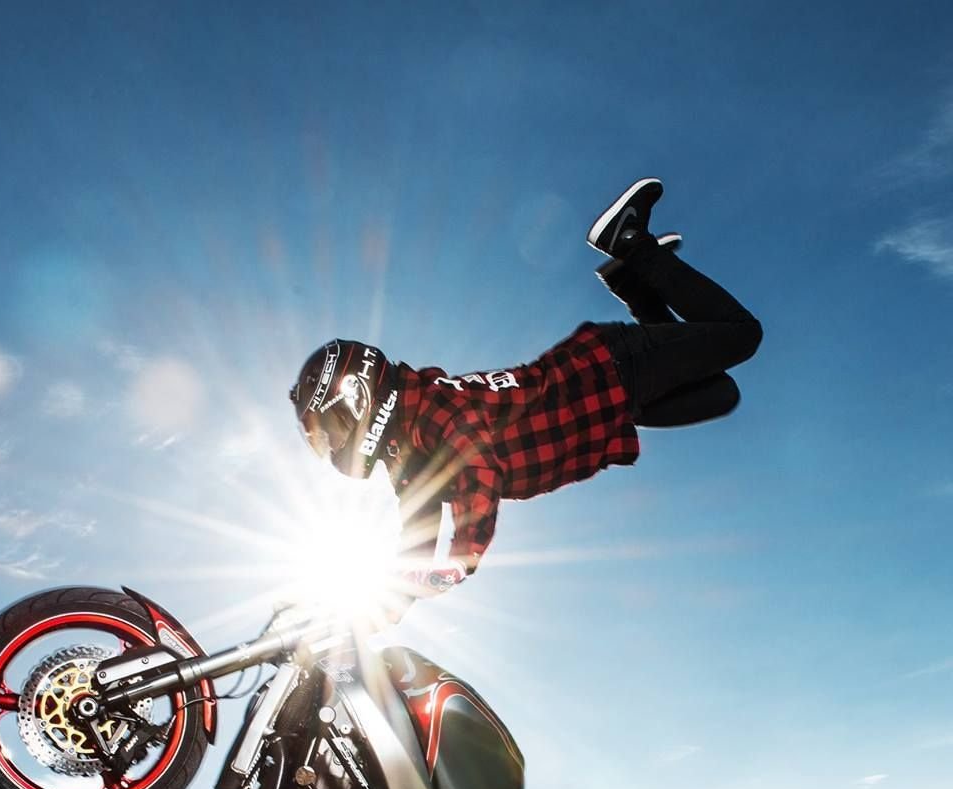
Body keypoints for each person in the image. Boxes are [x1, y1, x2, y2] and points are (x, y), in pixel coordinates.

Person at [288, 178, 761, 603]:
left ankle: (632, 244)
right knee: (720, 393)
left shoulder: (427, 405)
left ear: (357, 397)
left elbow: (476, 465)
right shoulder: (404, 458)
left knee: (741, 334)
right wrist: (378, 612)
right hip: (608, 409)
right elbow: (416, 541)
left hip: (604, 370)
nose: (331, 445)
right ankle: (637, 284)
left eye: (329, 431)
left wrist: (462, 557)